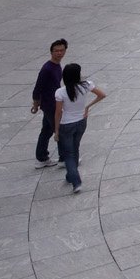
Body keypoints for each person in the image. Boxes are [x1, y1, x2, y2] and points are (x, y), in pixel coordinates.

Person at [54, 62, 105, 194]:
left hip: (66, 124)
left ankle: (75, 181)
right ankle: (70, 175)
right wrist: (87, 106)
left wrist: (56, 130)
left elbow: (58, 112)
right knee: (75, 148)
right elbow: (102, 95)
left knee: (69, 154)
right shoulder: (86, 85)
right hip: (81, 122)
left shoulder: (60, 92)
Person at [29, 39, 68, 167]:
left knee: (46, 130)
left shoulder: (57, 66)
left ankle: (41, 158)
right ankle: (64, 158)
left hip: (52, 102)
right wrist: (35, 104)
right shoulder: (47, 68)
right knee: (59, 129)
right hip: (50, 105)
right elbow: (38, 87)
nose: (59, 53)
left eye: (61, 50)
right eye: (56, 51)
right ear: (51, 52)